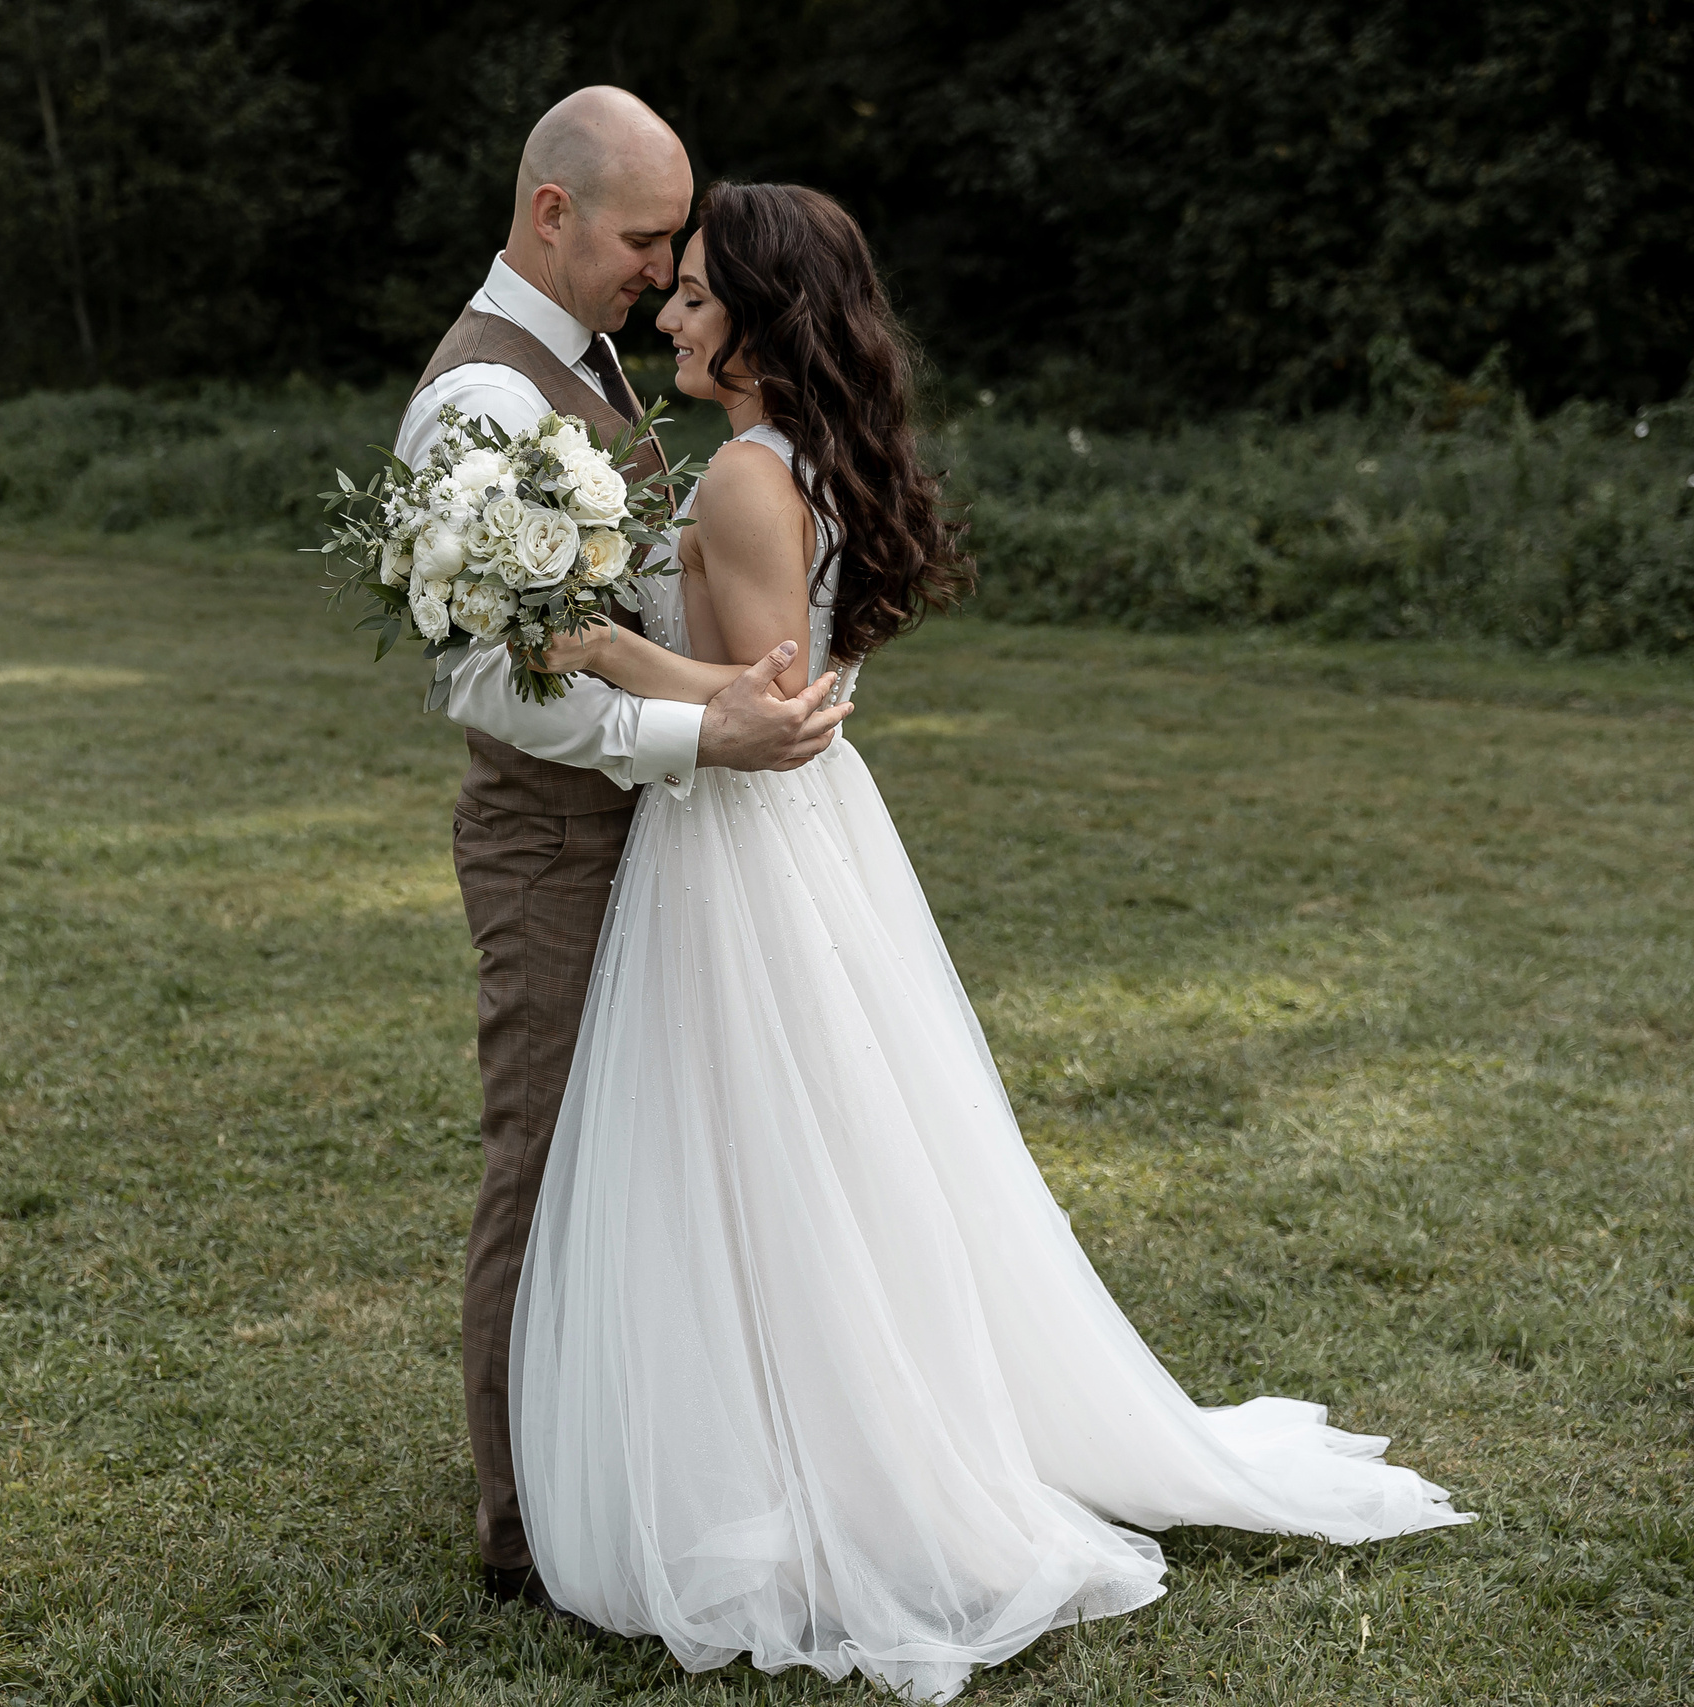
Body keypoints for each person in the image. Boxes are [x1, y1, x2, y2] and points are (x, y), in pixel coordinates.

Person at [507, 180, 1472, 1702]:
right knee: (812, 1143)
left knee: (776, 1147)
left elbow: (759, 703)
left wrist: (573, 623)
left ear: (764, 317)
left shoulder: (753, 478)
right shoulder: (791, 455)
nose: (674, 312)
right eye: (673, 286)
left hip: (751, 843)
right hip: (792, 834)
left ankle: (838, 1454)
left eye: (697, 292)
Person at [395, 87, 850, 1610]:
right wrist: (697, 729)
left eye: (677, 248)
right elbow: (486, 675)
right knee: (549, 1161)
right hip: (553, 846)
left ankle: (640, 1461)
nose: (663, 271)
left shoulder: (586, 364)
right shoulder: (479, 401)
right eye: (648, 239)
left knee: (648, 1166)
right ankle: (526, 1525)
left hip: (651, 831)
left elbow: (612, 615)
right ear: (552, 214)